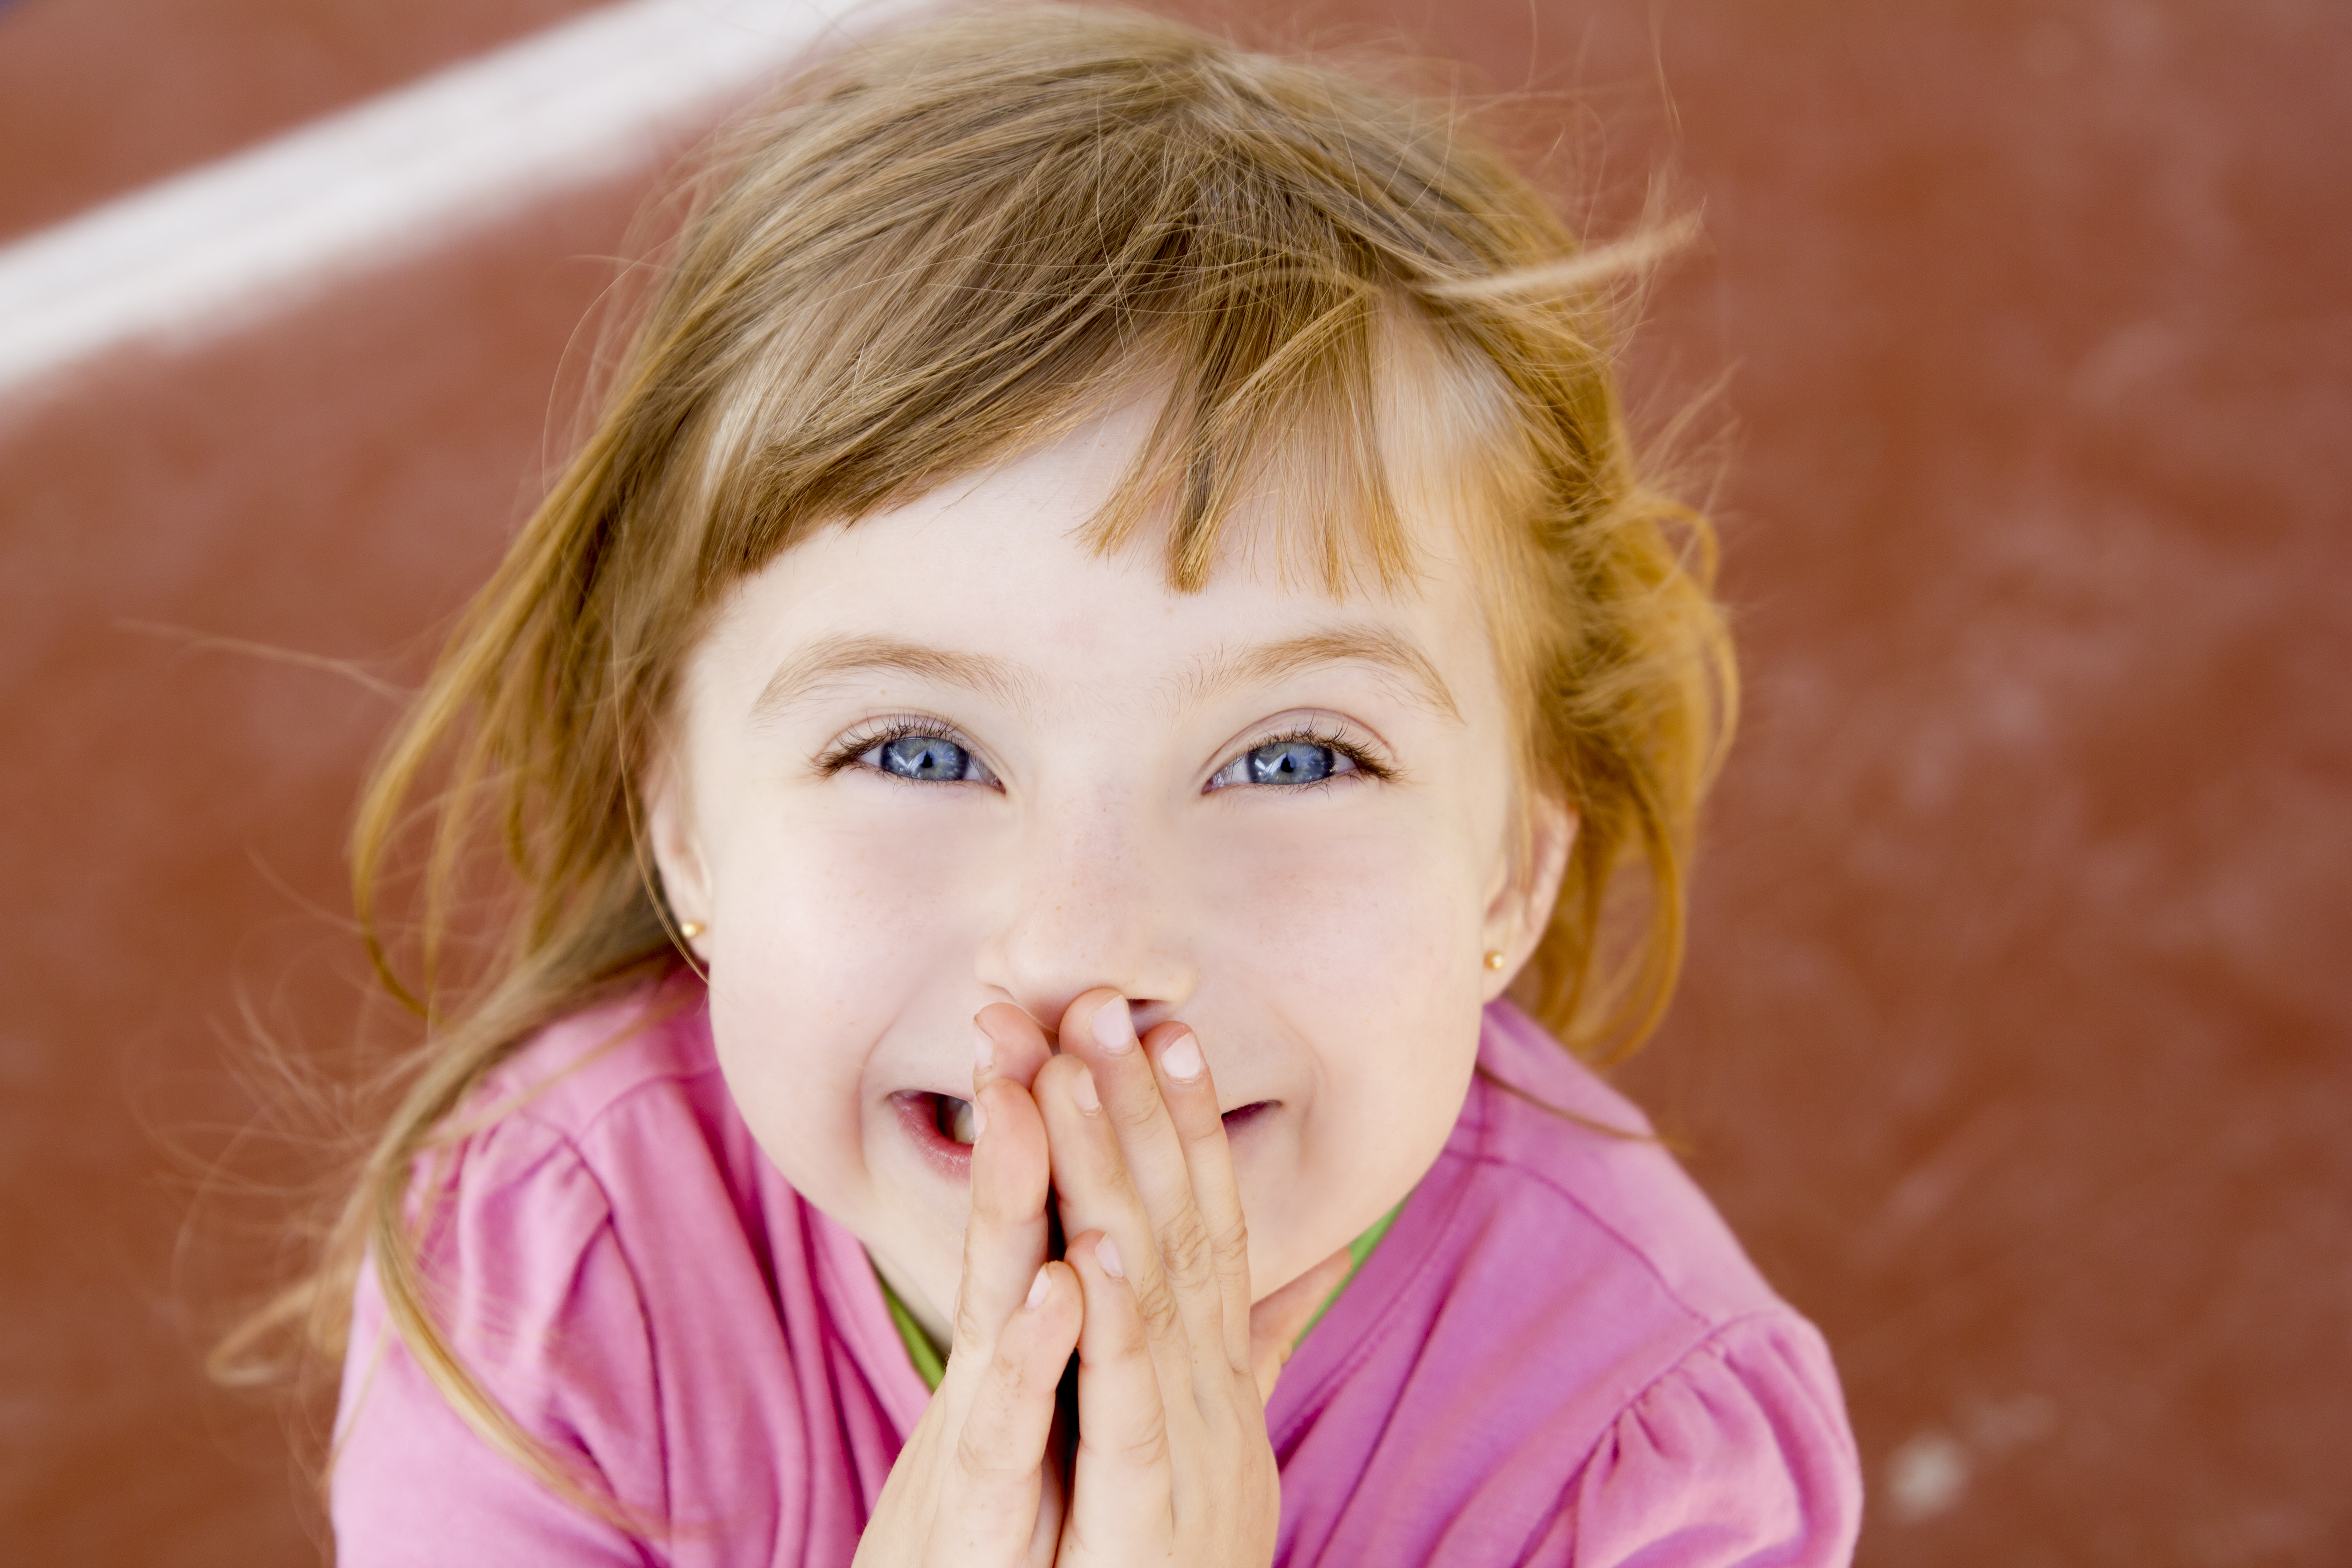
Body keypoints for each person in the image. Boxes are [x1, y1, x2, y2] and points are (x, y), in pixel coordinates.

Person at [298, 7, 1862, 1562]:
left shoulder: (1645, 1464)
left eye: (1296, 757)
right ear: (688, 830)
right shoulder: (554, 1278)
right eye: (916, 752)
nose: (1083, 951)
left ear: (1510, 876)